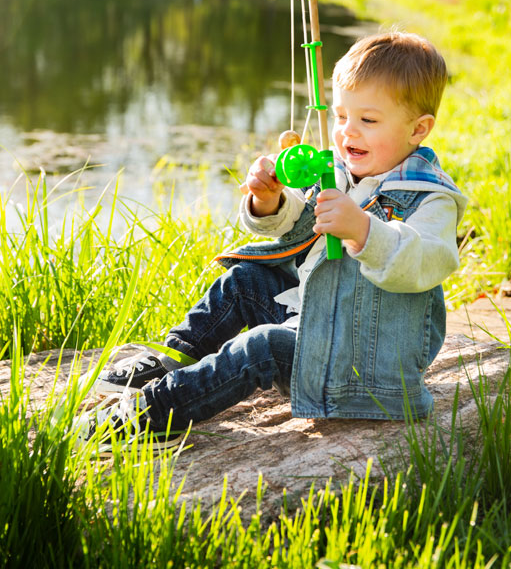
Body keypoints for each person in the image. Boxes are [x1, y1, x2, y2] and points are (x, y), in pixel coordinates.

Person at [80, 31, 467, 449]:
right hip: (316, 322)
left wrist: (364, 231)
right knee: (244, 281)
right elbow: (294, 224)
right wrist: (269, 200)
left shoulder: (431, 197)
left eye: (368, 121)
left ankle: (155, 414)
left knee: (260, 346)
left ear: (418, 129)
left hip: (361, 366)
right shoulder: (339, 170)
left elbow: (426, 262)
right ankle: (175, 355)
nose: (346, 133)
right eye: (340, 117)